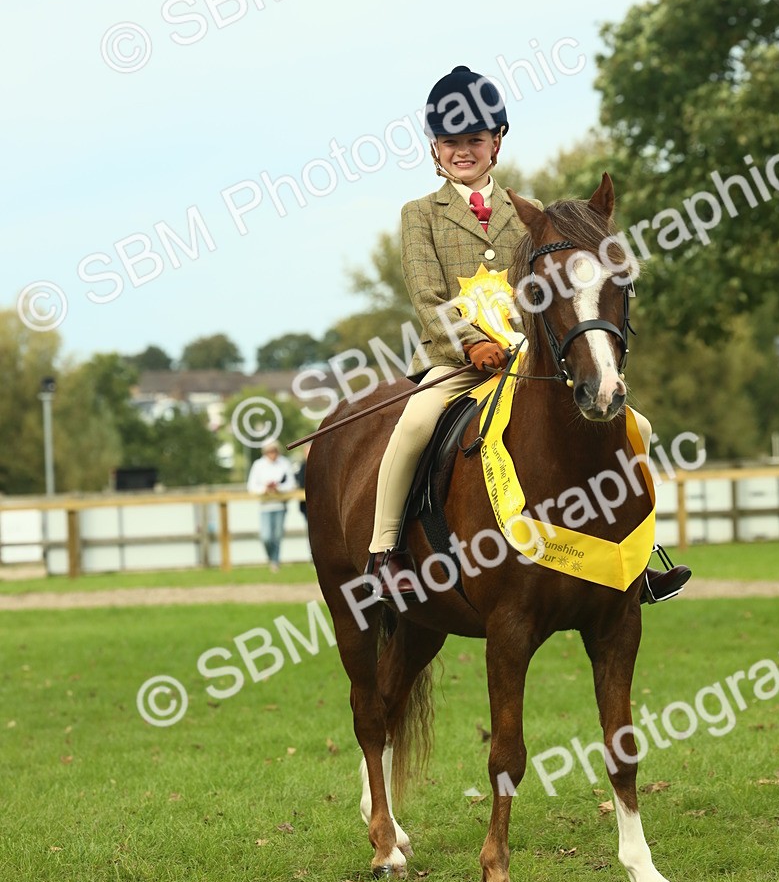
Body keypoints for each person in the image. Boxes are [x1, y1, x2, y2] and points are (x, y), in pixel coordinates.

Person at [364, 64, 690, 603]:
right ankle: (386, 552)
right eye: (451, 143)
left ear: (496, 143)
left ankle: (637, 554)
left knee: (640, 426)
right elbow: (427, 296)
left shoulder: (531, 214)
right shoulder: (420, 215)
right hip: (456, 362)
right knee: (414, 424)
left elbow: (555, 292)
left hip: (527, 360)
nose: (463, 151)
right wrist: (471, 342)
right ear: (434, 149)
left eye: (474, 140)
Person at [247, 439, 296, 572]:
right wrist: (264, 489)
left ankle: (275, 562)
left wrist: (278, 488)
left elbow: (291, 484)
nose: (272, 454)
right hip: (265, 505)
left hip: (280, 505)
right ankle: (272, 559)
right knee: (266, 537)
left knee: (278, 535)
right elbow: (251, 486)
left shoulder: (284, 463)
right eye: (270, 451)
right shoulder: (258, 465)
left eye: (274, 451)